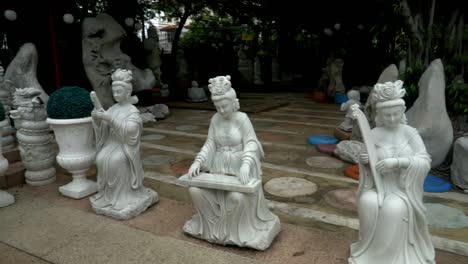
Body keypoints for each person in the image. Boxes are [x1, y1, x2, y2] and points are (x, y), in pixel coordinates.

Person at [184, 75, 280, 250]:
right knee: (195, 190)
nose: (221, 110)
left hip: (238, 171)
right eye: (217, 106)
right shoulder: (215, 120)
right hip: (218, 170)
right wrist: (197, 162)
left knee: (236, 198)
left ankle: (238, 232)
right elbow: (210, 143)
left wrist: (246, 164)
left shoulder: (242, 119)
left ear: (233, 102)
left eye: (224, 106)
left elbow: (251, 143)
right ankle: (211, 228)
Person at [349, 80, 435, 264]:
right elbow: (369, 162)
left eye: (396, 114)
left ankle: (390, 258)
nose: (392, 119)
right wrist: (366, 163)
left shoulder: (409, 133)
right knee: (367, 201)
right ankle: (370, 253)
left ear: (402, 112)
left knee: (393, 209)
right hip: (379, 186)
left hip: (402, 189)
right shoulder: (374, 134)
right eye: (387, 115)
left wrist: (398, 162)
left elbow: (424, 161)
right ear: (379, 114)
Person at [90, 69, 158, 220]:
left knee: (115, 160)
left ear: (127, 92)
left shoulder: (132, 111)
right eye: (114, 91)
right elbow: (103, 128)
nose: (115, 95)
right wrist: (97, 119)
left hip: (124, 147)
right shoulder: (113, 108)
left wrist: (111, 120)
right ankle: (107, 196)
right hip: (111, 143)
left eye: (119, 92)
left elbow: (131, 132)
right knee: (101, 158)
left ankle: (123, 196)